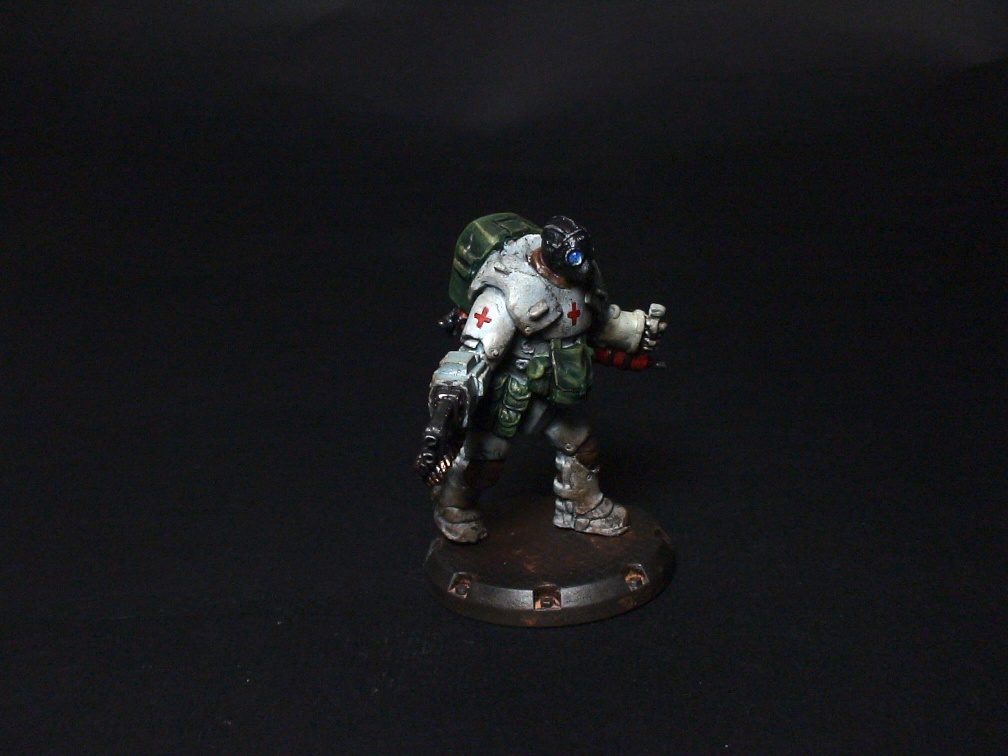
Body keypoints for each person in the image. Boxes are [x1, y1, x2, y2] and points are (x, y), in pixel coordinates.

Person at [416, 214, 666, 543]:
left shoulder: (582, 276)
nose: (583, 267)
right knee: (484, 463)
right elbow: (476, 351)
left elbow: (596, 320)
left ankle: (581, 508)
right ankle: (453, 506)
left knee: (581, 446)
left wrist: (636, 330)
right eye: (574, 259)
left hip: (556, 386)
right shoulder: (508, 290)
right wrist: (452, 392)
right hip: (509, 391)